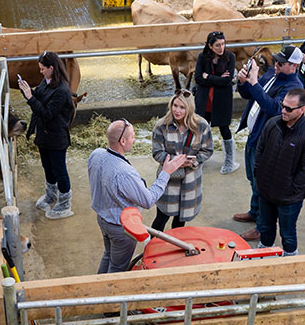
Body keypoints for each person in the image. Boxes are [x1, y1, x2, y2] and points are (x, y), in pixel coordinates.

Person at [88, 119, 187, 273]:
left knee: (108, 255)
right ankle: (111, 295)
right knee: (118, 267)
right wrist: (166, 173)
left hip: (102, 218)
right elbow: (148, 200)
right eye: (132, 137)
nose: (134, 140)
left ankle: (97, 287)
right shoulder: (124, 172)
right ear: (122, 141)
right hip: (121, 227)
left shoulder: (97, 154)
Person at [232, 45, 304, 242]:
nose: (277, 64)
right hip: (255, 134)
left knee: (261, 184)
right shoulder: (272, 73)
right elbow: (250, 94)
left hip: (268, 141)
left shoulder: (294, 88)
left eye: (282, 62)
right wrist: (243, 82)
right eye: (277, 60)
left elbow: (273, 108)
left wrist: (254, 82)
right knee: (252, 178)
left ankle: (262, 227)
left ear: (294, 66)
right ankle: (255, 212)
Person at [254, 88, 305, 256]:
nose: (283, 111)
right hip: (266, 191)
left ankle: (290, 260)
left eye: (289, 109)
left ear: (302, 109)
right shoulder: (273, 124)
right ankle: (264, 253)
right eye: (282, 106)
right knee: (265, 227)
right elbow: (260, 149)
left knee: (288, 234)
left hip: (289, 198)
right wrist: (259, 174)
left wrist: (292, 187)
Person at [18, 51, 76, 219]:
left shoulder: (62, 90)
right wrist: (27, 90)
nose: (41, 72)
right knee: (47, 167)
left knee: (60, 170)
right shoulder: (47, 81)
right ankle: (51, 196)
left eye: (43, 69)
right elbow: (38, 96)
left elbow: (46, 112)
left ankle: (65, 203)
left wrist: (30, 98)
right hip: (44, 135)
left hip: (56, 137)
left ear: (52, 68)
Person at [151, 90, 214, 231]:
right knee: (160, 219)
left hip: (190, 183)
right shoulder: (161, 126)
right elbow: (157, 152)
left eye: (182, 107)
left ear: (189, 108)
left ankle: (174, 248)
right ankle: (152, 246)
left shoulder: (201, 126)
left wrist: (195, 161)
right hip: (169, 182)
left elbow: (208, 150)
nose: (177, 110)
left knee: (180, 223)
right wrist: (176, 162)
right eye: (175, 105)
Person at [193, 30, 239, 174]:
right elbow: (198, 78)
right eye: (218, 45)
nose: (221, 48)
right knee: (200, 129)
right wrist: (217, 79)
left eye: (223, 44)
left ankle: (230, 161)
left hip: (222, 100)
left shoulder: (230, 57)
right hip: (204, 99)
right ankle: (199, 158)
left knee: (224, 129)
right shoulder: (202, 57)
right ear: (210, 46)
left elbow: (227, 81)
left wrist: (209, 77)